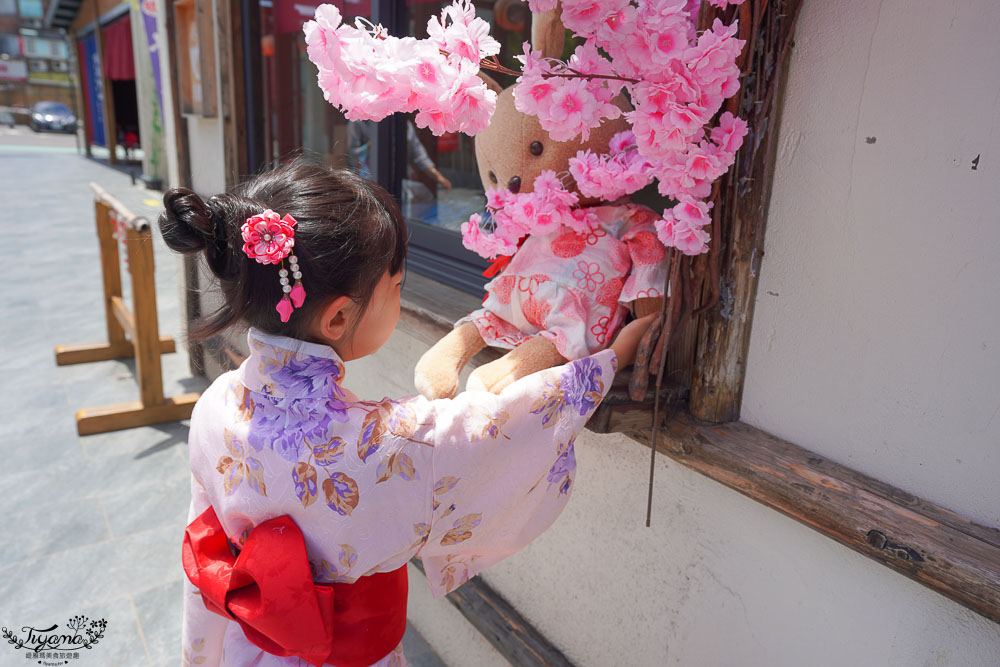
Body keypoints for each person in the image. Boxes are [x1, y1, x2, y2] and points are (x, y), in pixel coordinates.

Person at [159, 158, 653, 667]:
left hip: (250, 651)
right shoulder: (388, 442)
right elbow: (501, 424)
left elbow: (205, 550)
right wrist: (609, 360)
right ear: (338, 318)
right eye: (395, 287)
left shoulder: (215, 403)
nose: (400, 295)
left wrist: (201, 657)